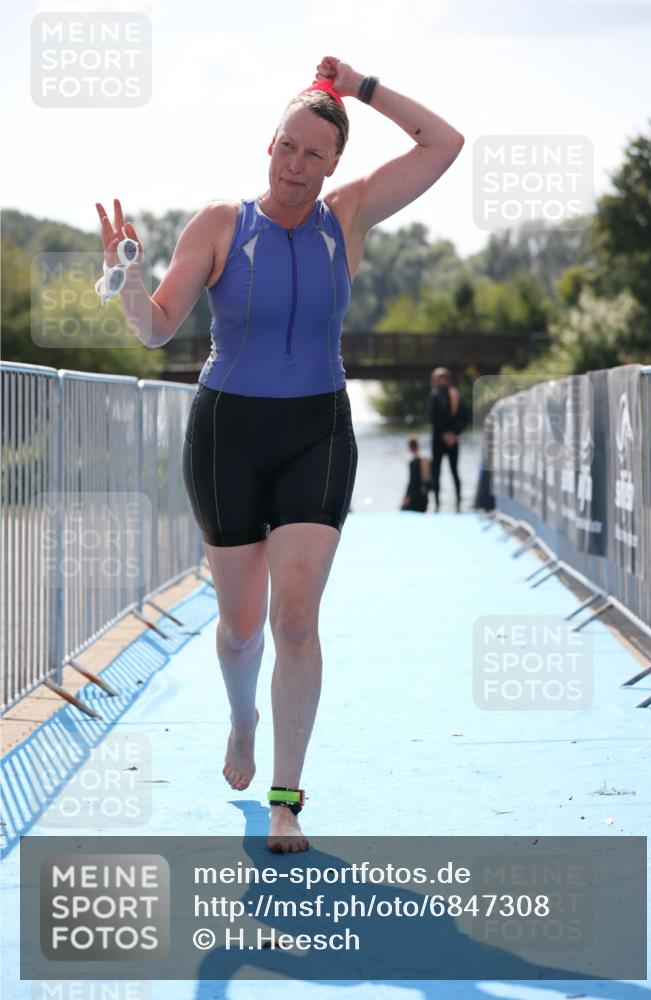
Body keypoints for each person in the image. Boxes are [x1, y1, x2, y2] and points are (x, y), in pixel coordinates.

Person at [95, 56, 465, 854]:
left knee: (295, 619)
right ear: (269, 145)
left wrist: (361, 89)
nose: (295, 165)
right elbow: (155, 328)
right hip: (226, 436)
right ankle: (242, 720)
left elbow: (443, 144)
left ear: (333, 163)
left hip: (316, 432)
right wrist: (125, 275)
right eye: (286, 147)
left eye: (313, 154)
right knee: (239, 629)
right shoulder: (219, 225)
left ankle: (286, 799)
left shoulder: (349, 215)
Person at [428, 366, 465, 512]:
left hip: (450, 439)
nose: (435, 381)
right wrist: (447, 434)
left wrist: (454, 433)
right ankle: (437, 504)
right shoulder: (434, 395)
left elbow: (464, 417)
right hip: (440, 439)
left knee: (454, 471)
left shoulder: (454, 394)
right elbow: (432, 418)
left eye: (437, 378)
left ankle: (458, 504)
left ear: (445, 379)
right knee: (436, 472)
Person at [400, 436, 430, 512]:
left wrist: (406, 498)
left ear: (410, 448)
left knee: (403, 509)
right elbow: (427, 481)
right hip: (424, 498)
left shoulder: (413, 463)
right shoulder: (425, 460)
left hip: (415, 498)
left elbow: (412, 482)